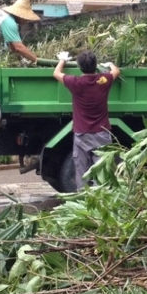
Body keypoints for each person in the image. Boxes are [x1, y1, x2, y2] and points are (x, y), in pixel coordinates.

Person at [53, 50, 121, 190]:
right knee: (102, 171)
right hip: (102, 134)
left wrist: (62, 60)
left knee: (82, 172)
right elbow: (116, 72)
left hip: (82, 135)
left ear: (79, 66)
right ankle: (101, 199)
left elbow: (56, 73)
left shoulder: (76, 82)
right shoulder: (103, 80)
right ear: (96, 65)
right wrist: (110, 64)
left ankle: (84, 201)